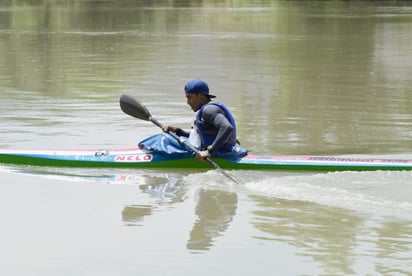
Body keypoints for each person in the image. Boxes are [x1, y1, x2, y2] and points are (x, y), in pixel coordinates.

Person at [162, 79, 239, 161]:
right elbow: (201, 136)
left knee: (163, 138)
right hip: (217, 150)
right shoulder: (208, 109)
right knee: (173, 138)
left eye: (189, 97)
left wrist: (209, 151)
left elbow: (227, 127)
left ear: (201, 96)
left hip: (218, 154)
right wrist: (178, 131)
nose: (188, 102)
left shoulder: (209, 110)